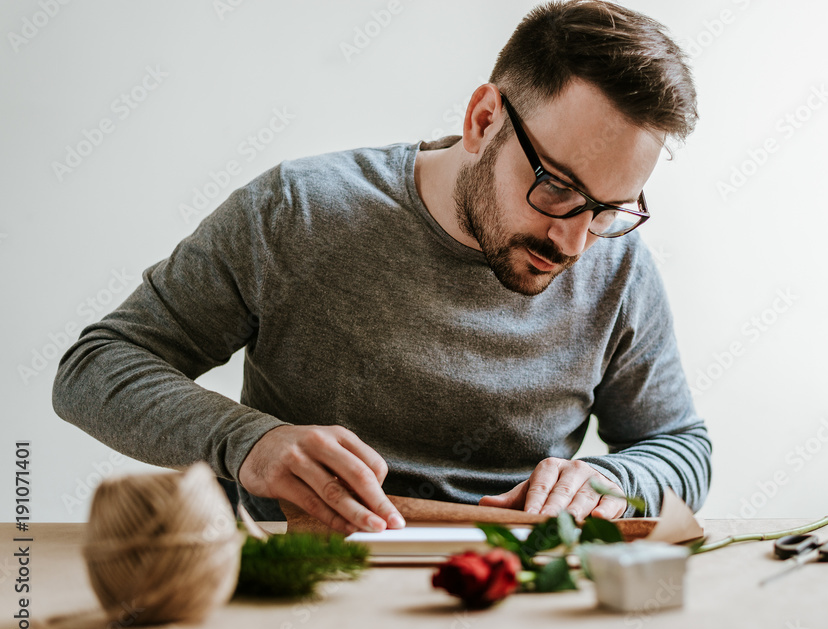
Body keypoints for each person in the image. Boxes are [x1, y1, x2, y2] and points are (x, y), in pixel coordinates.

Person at [52, 0, 711, 535]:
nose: (574, 241)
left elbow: (680, 445)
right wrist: (245, 442)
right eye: (559, 188)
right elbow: (95, 367)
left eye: (608, 208)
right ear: (484, 121)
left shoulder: (617, 259)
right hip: (299, 580)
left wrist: (612, 483)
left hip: (519, 596)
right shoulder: (299, 210)